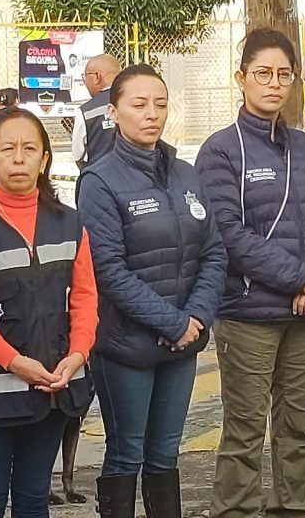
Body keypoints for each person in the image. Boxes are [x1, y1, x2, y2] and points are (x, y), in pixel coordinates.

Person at [196, 28, 305, 518]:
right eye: (262, 73)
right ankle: (235, 510)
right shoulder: (221, 151)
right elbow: (229, 235)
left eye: (284, 74)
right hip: (248, 315)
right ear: (241, 78)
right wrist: (300, 279)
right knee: (244, 431)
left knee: (299, 428)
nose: (273, 83)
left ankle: (293, 508)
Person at [77, 64, 228, 518]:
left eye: (160, 104)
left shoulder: (185, 173)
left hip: (182, 344)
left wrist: (195, 319)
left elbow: (215, 252)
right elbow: (108, 270)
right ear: (114, 111)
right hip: (127, 345)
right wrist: (174, 322)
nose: (152, 114)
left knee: (165, 455)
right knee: (127, 454)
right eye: (139, 104)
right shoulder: (99, 181)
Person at [0, 107, 99, 517]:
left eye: (30, 148)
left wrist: (77, 356)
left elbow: (85, 298)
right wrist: (14, 362)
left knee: (33, 497)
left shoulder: (70, 223)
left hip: (53, 384)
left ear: (45, 159)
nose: (19, 157)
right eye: (7, 149)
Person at [72, 54, 121, 170]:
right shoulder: (135, 102)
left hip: (98, 180)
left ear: (97, 77)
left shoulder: (85, 112)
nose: (85, 82)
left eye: (86, 77)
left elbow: (78, 155)